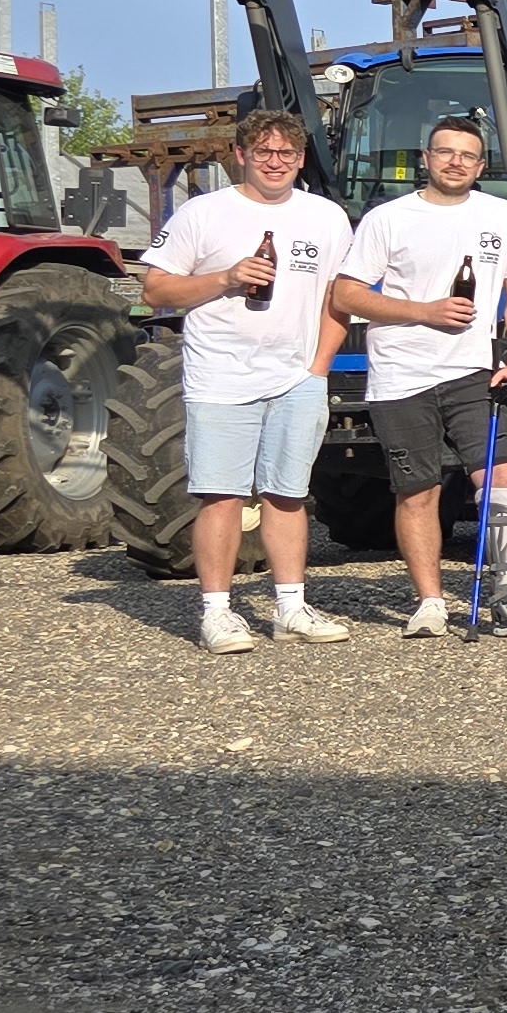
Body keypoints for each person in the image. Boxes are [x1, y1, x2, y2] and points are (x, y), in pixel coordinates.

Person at [145, 106, 356, 651]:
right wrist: (225, 277)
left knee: (288, 495)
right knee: (221, 496)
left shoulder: (326, 217)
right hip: (221, 375)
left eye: (286, 153)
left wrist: (319, 368)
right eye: (263, 152)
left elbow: (340, 298)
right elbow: (156, 291)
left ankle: (291, 606)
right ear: (240, 155)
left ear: (301, 159)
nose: (275, 162)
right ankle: (216, 612)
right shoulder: (203, 214)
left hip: (296, 377)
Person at [327, 110, 507, 638]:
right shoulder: (388, 218)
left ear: (481, 164)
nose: (456, 162)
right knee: (416, 490)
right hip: (401, 375)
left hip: (475, 371)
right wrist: (425, 311)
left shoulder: (503, 216)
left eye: (467, 155)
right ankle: (429, 602)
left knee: (502, 480)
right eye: (445, 152)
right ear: (426, 159)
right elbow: (347, 294)